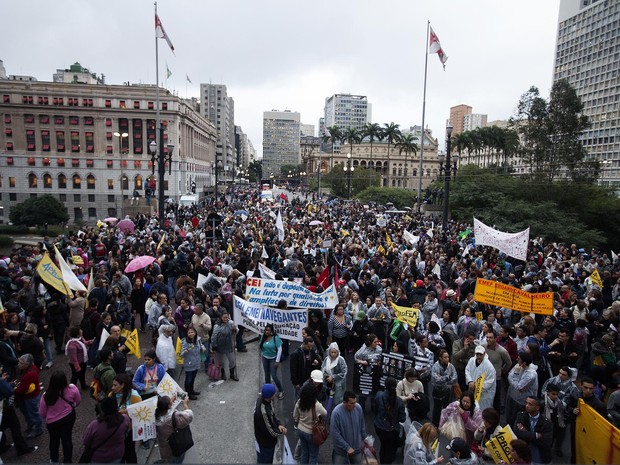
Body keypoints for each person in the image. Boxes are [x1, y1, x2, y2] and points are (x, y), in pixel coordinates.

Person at [39, 370, 81, 464]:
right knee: (67, 439)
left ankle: (54, 460)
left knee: (54, 440)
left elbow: (42, 413)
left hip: (52, 423)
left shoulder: (45, 396)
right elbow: (77, 401)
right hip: (68, 418)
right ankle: (67, 461)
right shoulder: (72, 388)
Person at [0, 366, 38, 457]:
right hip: (4, 407)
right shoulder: (1, 381)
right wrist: (8, 383)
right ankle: (22, 449)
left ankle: (2, 446)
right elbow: (9, 391)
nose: (1, 368)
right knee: (15, 428)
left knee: (1, 427)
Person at [82, 396, 130, 463]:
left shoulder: (94, 425)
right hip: (117, 455)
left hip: (98, 458)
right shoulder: (125, 419)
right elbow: (126, 433)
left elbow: (86, 442)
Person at [110, 373, 142, 463]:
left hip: (130, 431)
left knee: (130, 452)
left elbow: (140, 413)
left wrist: (126, 412)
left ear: (123, 385)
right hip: (116, 430)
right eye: (112, 385)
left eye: (115, 385)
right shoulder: (111, 395)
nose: (112, 388)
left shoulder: (135, 397)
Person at [373, 377, 406, 464]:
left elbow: (375, 409)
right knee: (389, 450)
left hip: (379, 426)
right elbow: (402, 419)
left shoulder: (379, 395)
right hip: (391, 430)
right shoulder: (399, 401)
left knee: (383, 446)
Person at [293, 382, 328, 465]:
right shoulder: (316, 405)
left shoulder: (299, 402)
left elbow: (295, 416)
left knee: (304, 452)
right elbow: (325, 413)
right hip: (311, 433)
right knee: (313, 455)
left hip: (301, 430)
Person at [331, 390, 368, 464]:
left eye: (355, 402)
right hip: (341, 452)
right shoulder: (336, 413)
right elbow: (335, 434)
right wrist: (347, 447)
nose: (354, 405)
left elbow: (362, 426)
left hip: (356, 449)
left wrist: (365, 439)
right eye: (352, 403)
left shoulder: (358, 408)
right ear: (344, 402)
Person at [513, 396, 553, 464]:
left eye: (530, 404)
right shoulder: (521, 416)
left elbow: (546, 442)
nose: (527, 406)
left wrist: (526, 433)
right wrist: (536, 435)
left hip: (539, 458)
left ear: (537, 407)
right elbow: (517, 433)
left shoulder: (546, 423)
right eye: (526, 403)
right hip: (524, 458)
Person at [254, 384, 287, 464]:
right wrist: (281, 432)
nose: (275, 394)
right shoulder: (262, 413)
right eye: (273, 393)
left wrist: (279, 424)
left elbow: (272, 414)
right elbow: (270, 431)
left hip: (262, 441)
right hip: (266, 445)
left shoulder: (264, 401)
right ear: (269, 396)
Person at [155, 395, 194, 463]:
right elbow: (189, 416)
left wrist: (170, 403)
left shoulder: (156, 416)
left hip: (165, 448)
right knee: (177, 461)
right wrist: (185, 404)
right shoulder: (174, 417)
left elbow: (166, 412)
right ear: (168, 406)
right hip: (177, 446)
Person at [506, 351, 538, 427]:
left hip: (521, 401)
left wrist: (516, 375)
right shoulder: (518, 365)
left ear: (524, 363)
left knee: (516, 420)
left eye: (519, 359)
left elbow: (518, 387)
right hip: (512, 396)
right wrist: (513, 379)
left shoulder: (530, 375)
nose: (517, 359)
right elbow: (509, 376)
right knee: (509, 416)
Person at [15, 353, 43, 438]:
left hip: (30, 397)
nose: (18, 364)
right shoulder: (33, 368)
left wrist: (14, 388)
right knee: (34, 412)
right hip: (34, 394)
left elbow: (22, 389)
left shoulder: (28, 375)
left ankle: (38, 430)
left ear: (27, 364)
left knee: (34, 413)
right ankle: (32, 424)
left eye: (21, 363)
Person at [354, 334, 383, 411]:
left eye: (377, 342)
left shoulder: (379, 349)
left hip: (375, 374)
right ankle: (360, 409)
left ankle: (373, 409)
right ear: (370, 342)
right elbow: (356, 358)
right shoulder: (363, 349)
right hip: (365, 374)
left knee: (374, 392)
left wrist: (379, 363)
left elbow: (381, 359)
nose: (377, 344)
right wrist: (362, 362)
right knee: (363, 393)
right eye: (375, 342)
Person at [465, 345, 496, 411]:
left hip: (484, 394)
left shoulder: (489, 366)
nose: (479, 356)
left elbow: (490, 381)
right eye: (477, 354)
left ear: (484, 354)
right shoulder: (471, 360)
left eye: (481, 354)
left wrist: (477, 385)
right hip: (472, 390)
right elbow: (467, 370)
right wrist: (470, 381)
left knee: (482, 411)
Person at [430, 349, 458, 425]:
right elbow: (435, 379)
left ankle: (445, 423)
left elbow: (455, 379)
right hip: (437, 390)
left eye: (448, 357)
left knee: (447, 408)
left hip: (447, 391)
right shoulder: (436, 366)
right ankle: (435, 424)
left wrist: (444, 380)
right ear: (440, 358)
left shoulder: (451, 366)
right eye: (445, 357)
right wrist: (447, 378)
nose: (447, 359)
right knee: (437, 408)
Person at [541, 383, 567, 458]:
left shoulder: (559, 403)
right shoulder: (542, 403)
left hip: (556, 425)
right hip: (546, 427)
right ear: (547, 392)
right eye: (553, 394)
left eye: (557, 394)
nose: (555, 396)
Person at [259, 324, 284, 399]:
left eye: (268, 330)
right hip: (265, 358)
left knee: (274, 376)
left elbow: (279, 349)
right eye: (266, 330)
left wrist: (277, 361)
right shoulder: (263, 337)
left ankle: (281, 390)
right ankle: (268, 392)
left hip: (273, 359)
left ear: (271, 331)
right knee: (267, 376)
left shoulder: (275, 338)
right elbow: (261, 347)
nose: (267, 332)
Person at [211, 312, 239, 381]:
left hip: (229, 346)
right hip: (220, 346)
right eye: (224, 317)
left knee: (232, 361)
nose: (226, 319)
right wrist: (214, 346)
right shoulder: (217, 326)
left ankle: (232, 374)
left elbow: (237, 331)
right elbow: (214, 337)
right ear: (221, 317)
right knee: (221, 362)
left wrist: (235, 330)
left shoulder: (231, 323)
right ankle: (223, 373)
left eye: (227, 317)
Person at [181, 326, 204, 399]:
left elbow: (201, 345)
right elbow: (181, 353)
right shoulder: (185, 342)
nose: (191, 334)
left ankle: (192, 390)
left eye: (192, 332)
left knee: (193, 378)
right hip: (189, 363)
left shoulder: (198, 339)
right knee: (188, 379)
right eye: (189, 333)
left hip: (196, 362)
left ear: (195, 332)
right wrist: (185, 351)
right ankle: (188, 394)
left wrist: (203, 347)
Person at [65, 326, 90, 390]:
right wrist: (77, 367)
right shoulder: (72, 345)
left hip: (83, 361)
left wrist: (89, 342)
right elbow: (73, 358)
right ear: (77, 334)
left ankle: (83, 385)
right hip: (76, 363)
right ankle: (72, 388)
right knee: (75, 376)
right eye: (80, 331)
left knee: (82, 374)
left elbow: (84, 342)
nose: (82, 331)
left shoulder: (80, 338)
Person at [191, 303, 212, 372]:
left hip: (204, 339)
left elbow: (209, 328)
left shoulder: (206, 317)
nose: (194, 310)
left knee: (206, 354)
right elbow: (192, 325)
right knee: (196, 353)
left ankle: (207, 367)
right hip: (195, 339)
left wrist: (204, 326)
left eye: (196, 309)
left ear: (200, 310)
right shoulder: (193, 316)